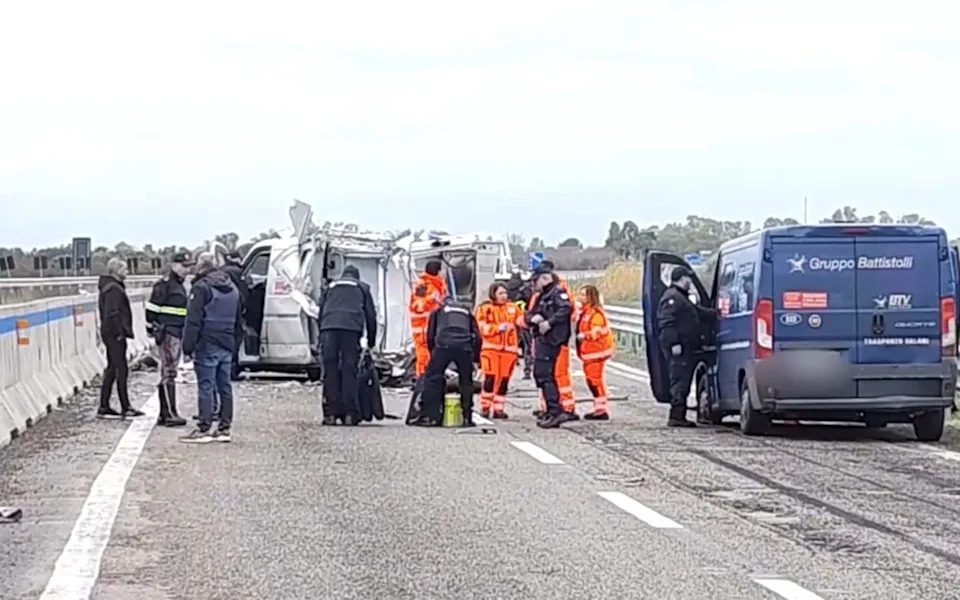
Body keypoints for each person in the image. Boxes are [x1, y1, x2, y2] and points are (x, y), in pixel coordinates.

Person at [180, 252, 242, 443]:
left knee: (206, 386)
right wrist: (235, 344)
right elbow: (239, 319)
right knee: (225, 386)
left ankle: (204, 428)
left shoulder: (201, 288)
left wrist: (187, 348)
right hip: (227, 341)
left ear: (200, 266)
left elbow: (193, 320)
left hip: (207, 341)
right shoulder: (232, 287)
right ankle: (224, 428)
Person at [317, 264, 377, 426]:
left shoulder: (330, 286)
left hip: (328, 328)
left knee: (330, 370)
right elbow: (371, 316)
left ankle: (329, 414)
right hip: (351, 329)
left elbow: (320, 311)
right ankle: (350, 414)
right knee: (349, 369)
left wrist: (320, 335)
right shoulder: (362, 287)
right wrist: (371, 341)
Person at [657, 266, 714, 428]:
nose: (689, 281)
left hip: (687, 347)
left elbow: (698, 312)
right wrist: (674, 343)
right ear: (681, 279)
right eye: (688, 279)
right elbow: (667, 323)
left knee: (684, 378)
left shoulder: (681, 297)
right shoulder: (672, 298)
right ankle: (676, 416)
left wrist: (716, 313)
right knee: (680, 379)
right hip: (679, 347)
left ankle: (678, 414)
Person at [414, 296, 482, 427]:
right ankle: (467, 417)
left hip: (443, 345)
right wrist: (475, 358)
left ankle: (432, 417)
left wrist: (433, 352)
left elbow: (430, 335)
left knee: (433, 379)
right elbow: (478, 337)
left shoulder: (439, 311)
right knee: (466, 382)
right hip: (464, 346)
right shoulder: (467, 312)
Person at [145, 252, 193, 427]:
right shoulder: (165, 285)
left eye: (189, 266)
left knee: (169, 371)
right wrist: (151, 330)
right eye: (184, 266)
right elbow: (151, 310)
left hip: (176, 331)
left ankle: (165, 414)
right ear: (174, 266)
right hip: (168, 332)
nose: (188, 270)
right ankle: (169, 413)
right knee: (169, 372)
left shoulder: (178, 285)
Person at [526, 267, 574, 429]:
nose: (533, 284)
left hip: (552, 340)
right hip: (542, 339)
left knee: (546, 375)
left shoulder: (556, 293)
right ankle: (551, 409)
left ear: (545, 278)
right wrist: (534, 319)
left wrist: (549, 322)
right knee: (540, 374)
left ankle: (555, 411)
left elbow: (566, 308)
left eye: (535, 280)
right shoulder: (541, 297)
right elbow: (529, 314)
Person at [97, 258, 145, 419]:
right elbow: (112, 313)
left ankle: (104, 405)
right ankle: (125, 406)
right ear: (116, 271)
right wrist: (119, 332)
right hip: (114, 334)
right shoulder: (114, 289)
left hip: (109, 333)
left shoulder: (109, 287)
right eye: (124, 269)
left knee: (112, 368)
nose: (127, 272)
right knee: (121, 369)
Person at [475, 282, 524, 419]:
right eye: (500, 293)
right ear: (493, 294)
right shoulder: (485, 308)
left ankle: (498, 409)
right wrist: (497, 328)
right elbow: (481, 327)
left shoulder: (513, 308)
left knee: (504, 381)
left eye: (505, 293)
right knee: (490, 379)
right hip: (491, 350)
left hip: (509, 352)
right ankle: (485, 407)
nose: (504, 296)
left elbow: (522, 321)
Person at [575, 285, 615, 420]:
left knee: (595, 381)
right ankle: (599, 408)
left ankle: (601, 409)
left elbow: (595, 332)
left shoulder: (595, 313)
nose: (580, 297)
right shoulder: (586, 312)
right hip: (590, 353)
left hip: (596, 352)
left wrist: (585, 336)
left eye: (583, 295)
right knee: (592, 381)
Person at [408, 259, 447, 383]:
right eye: (441, 270)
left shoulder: (438, 285)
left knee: (433, 356)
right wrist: (431, 299)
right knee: (424, 356)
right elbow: (417, 305)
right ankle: (422, 381)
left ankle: (430, 380)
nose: (443, 272)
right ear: (437, 271)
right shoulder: (423, 285)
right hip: (422, 327)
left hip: (433, 326)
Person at [220, 250, 249, 380]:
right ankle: (232, 371)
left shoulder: (221, 271)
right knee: (235, 341)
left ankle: (226, 371)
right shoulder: (238, 272)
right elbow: (244, 293)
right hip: (236, 311)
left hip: (223, 313)